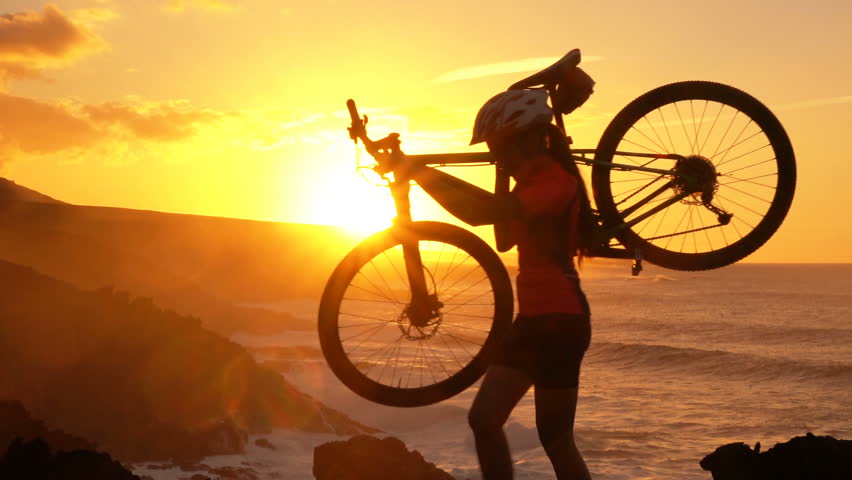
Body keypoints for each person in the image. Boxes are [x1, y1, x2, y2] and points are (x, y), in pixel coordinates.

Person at [391, 88, 595, 480]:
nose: (498, 157)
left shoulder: (554, 182)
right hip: (535, 321)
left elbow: (480, 212)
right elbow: (504, 236)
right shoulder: (530, 181)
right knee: (485, 419)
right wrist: (502, 173)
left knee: (555, 439)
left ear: (527, 140)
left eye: (502, 149)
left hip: (560, 322)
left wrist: (418, 171)